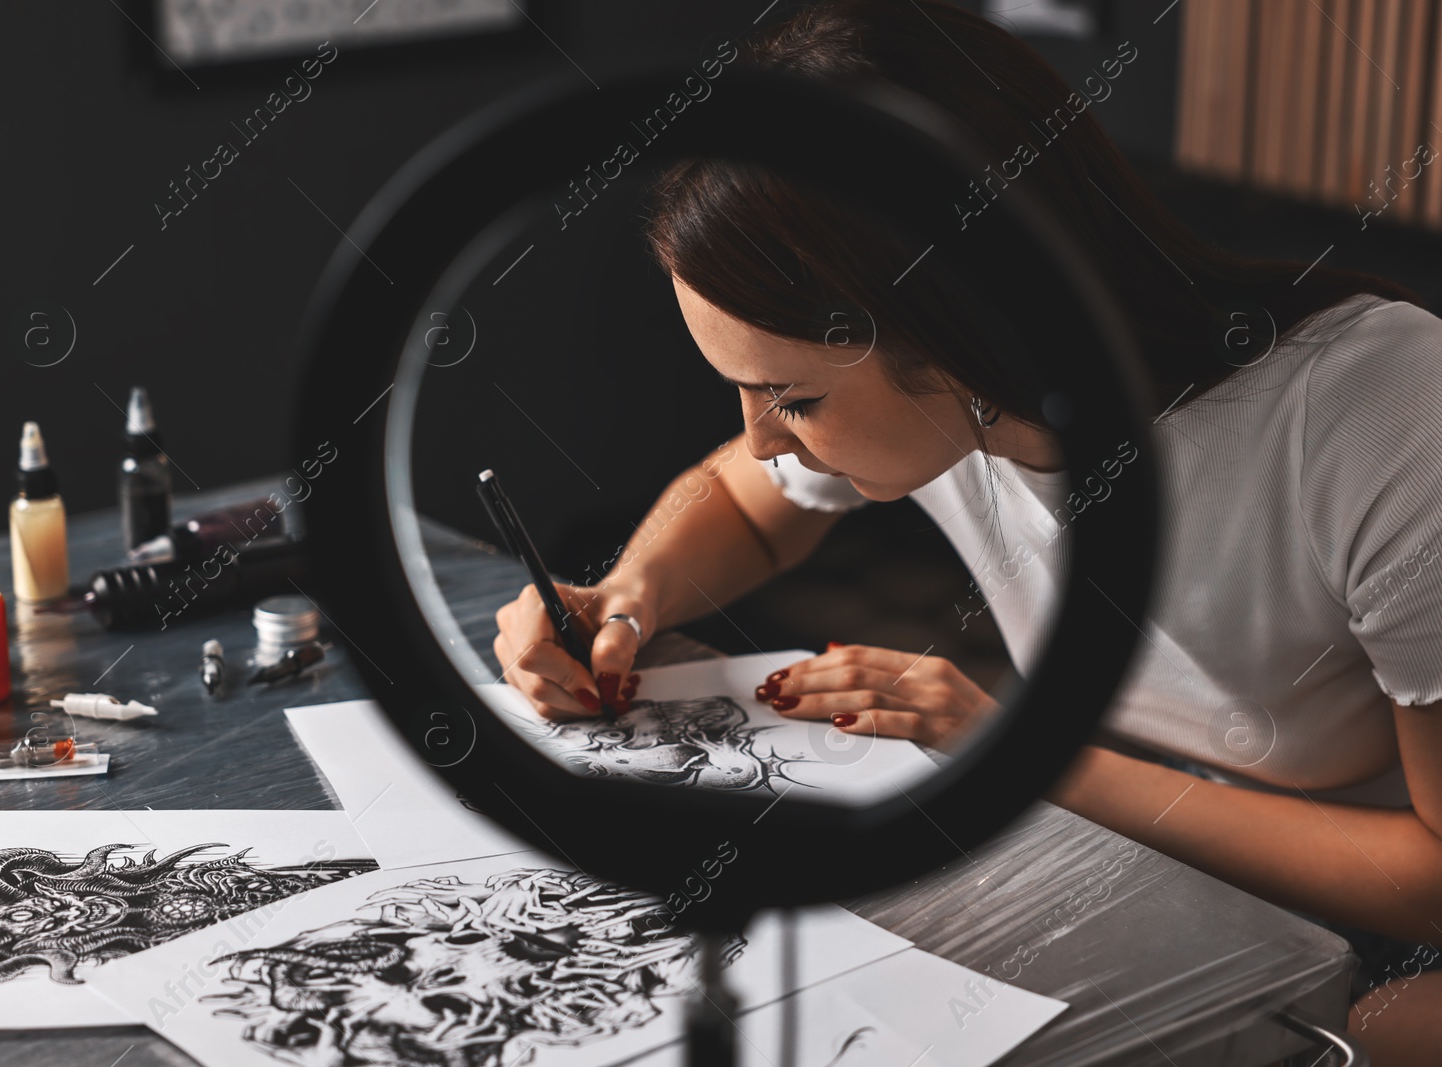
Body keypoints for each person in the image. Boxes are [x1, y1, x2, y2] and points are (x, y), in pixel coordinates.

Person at [489, 1, 1442, 1059]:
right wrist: (625, 597)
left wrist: (1016, 747)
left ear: (960, 327)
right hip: (1191, 859)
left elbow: (1427, 882)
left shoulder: (1384, 416)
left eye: (791, 399)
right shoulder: (965, 398)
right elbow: (744, 498)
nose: (760, 439)